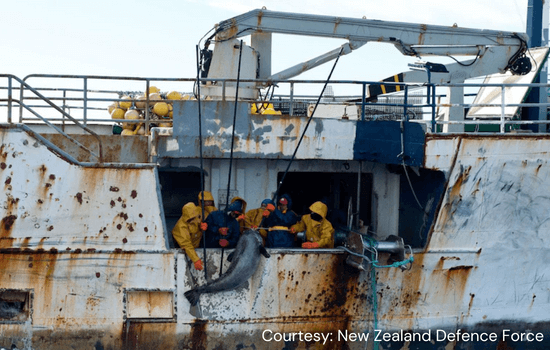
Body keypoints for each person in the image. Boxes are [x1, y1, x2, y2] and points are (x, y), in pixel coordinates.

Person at [172, 202, 206, 271]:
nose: (193, 220)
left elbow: (203, 216)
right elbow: (186, 244)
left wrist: (203, 226)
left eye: (194, 217)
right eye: (190, 219)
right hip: (186, 248)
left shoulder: (198, 212)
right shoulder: (181, 227)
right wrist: (196, 260)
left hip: (197, 244)